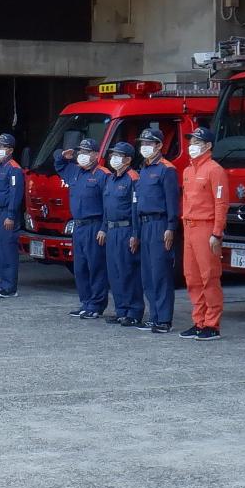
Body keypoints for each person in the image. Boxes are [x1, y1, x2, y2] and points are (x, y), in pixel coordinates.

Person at [177, 124, 228, 340]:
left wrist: (217, 233)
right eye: (191, 142)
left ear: (208, 146)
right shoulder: (188, 171)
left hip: (206, 227)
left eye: (197, 143)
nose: (192, 146)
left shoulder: (214, 170)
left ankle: (212, 324)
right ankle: (198, 321)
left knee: (209, 277)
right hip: (189, 227)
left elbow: (221, 203)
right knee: (192, 277)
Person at [130, 125, 181, 333]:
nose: (145, 147)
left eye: (149, 143)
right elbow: (137, 202)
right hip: (144, 224)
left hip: (160, 224)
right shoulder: (143, 170)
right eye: (143, 143)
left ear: (159, 145)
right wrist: (136, 232)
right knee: (147, 274)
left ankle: (164, 319)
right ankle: (154, 316)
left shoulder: (167, 169)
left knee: (161, 274)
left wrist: (171, 226)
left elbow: (172, 202)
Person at [56, 138, 109, 318]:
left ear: (96, 154)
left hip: (94, 226)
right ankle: (85, 302)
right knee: (80, 268)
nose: (82, 156)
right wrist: (63, 156)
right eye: (81, 152)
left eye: (87, 152)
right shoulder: (75, 171)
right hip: (78, 227)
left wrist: (104, 227)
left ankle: (96, 304)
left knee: (96, 267)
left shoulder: (103, 175)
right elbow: (59, 166)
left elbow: (108, 205)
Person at [102, 140, 144, 326]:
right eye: (113, 155)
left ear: (127, 159)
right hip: (111, 230)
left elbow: (136, 209)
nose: (113, 158)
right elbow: (106, 207)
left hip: (126, 230)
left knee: (128, 271)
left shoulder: (133, 178)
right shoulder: (111, 179)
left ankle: (133, 311)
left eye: (118, 155)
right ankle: (121, 310)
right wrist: (104, 228)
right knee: (114, 272)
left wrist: (135, 234)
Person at [0, 132, 25, 298]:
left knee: (8, 250)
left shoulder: (14, 169)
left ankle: (10, 287)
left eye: (2, 146)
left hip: (6, 215)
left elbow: (15, 194)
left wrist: (11, 215)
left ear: (10, 149)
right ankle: (3, 283)